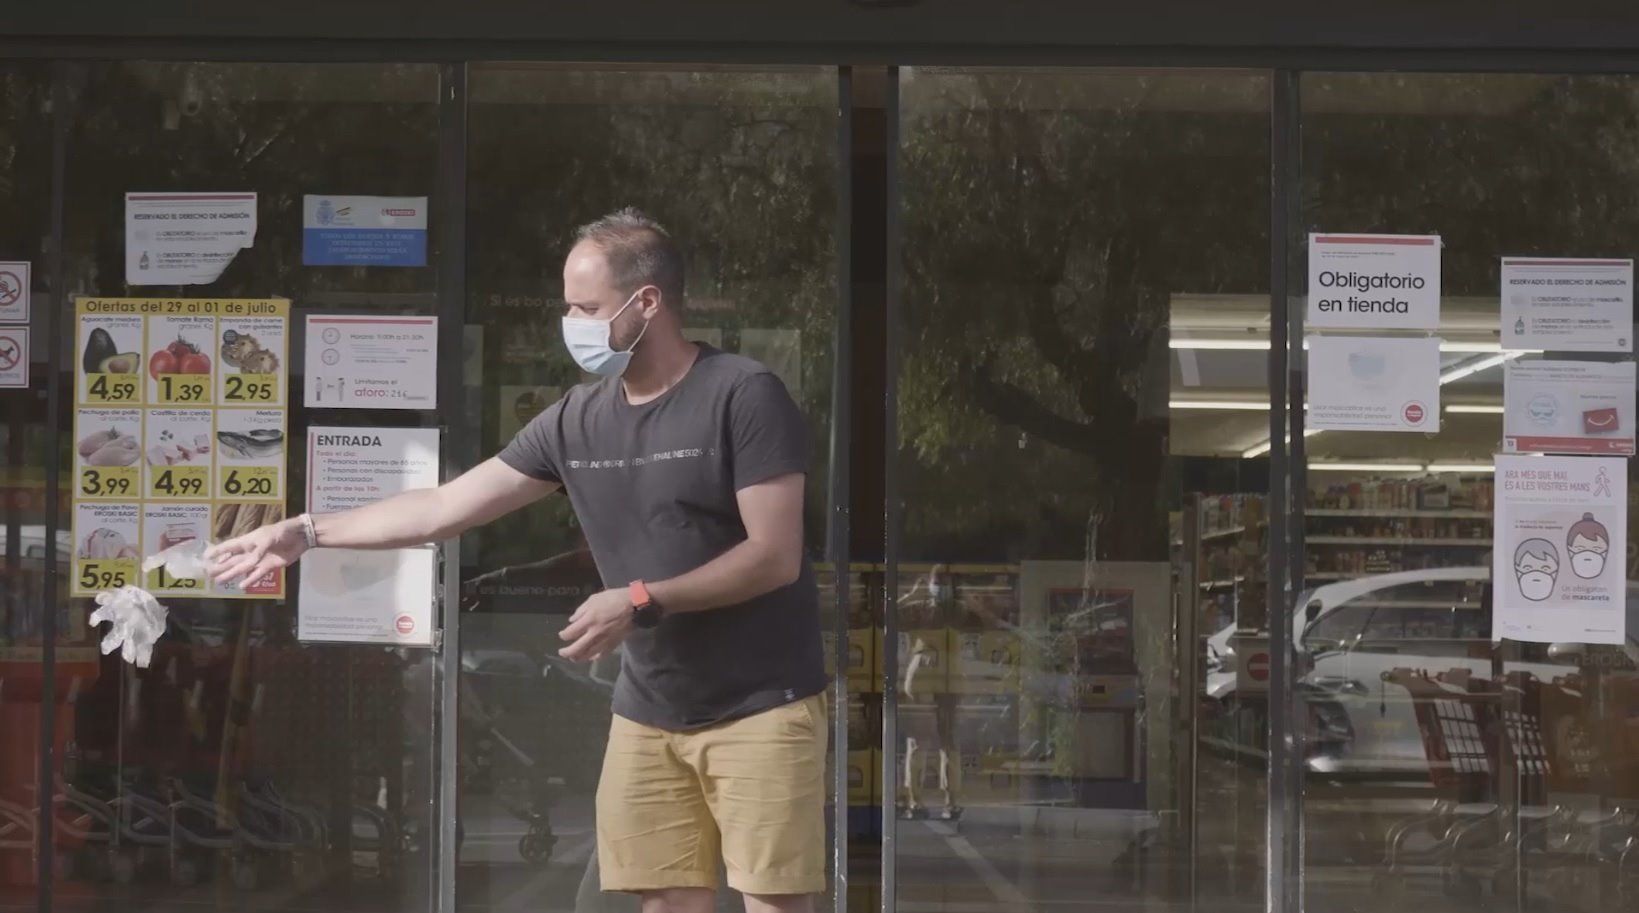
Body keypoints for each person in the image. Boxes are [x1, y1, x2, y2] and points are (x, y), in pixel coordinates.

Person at [208, 208, 828, 913]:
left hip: (760, 705)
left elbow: (773, 556)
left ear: (647, 301)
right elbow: (443, 507)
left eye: (585, 307)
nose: (570, 321)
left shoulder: (742, 396)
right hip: (649, 709)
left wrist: (638, 599)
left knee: (772, 902)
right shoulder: (575, 418)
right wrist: (308, 531)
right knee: (662, 900)